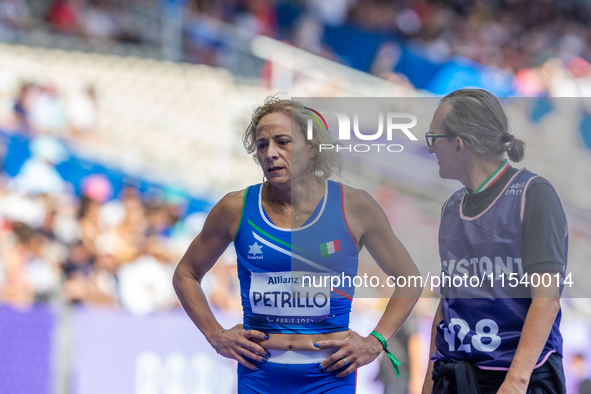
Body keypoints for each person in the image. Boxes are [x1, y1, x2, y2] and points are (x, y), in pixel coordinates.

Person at [173, 96, 422, 393]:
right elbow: (185, 274)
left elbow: (409, 279)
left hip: (329, 377)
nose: (271, 153)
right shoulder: (235, 207)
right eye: (262, 145)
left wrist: (376, 341)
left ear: (313, 147)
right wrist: (216, 336)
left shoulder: (354, 206)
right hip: (259, 375)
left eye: (283, 142)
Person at [421, 89, 567, 394]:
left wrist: (515, 382)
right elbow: (448, 302)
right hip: (457, 374)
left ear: (459, 144)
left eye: (434, 138)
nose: (431, 148)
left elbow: (547, 300)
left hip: (520, 375)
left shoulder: (533, 194)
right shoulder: (451, 206)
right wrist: (428, 379)